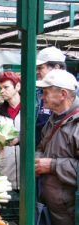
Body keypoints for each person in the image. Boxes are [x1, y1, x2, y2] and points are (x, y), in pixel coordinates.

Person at [35, 69, 79, 225]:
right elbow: (42, 145)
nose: (42, 97)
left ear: (63, 94)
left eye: (46, 92)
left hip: (70, 212)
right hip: (52, 205)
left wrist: (53, 165)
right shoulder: (54, 117)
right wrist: (38, 157)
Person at [35, 46, 66, 146]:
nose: (37, 72)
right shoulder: (39, 91)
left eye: (40, 68)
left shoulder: (74, 92)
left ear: (56, 67)